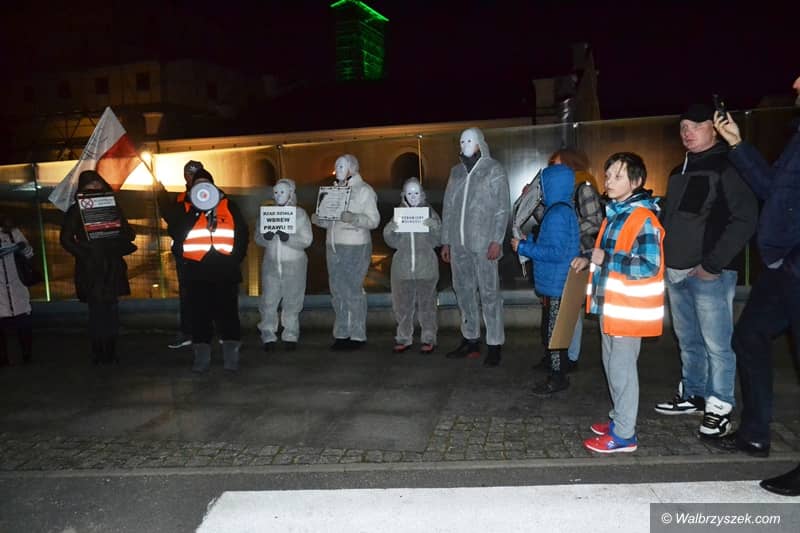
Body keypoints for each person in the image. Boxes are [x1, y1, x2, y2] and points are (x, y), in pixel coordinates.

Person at [707, 75, 800, 496]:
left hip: (793, 265)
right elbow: (772, 190)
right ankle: (755, 434)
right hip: (783, 269)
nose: (795, 83)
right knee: (748, 336)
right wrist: (737, 143)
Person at [655, 103, 758, 440]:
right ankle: (694, 394)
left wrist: (713, 264)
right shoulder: (678, 170)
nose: (687, 132)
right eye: (683, 126)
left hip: (709, 273)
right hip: (676, 271)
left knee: (717, 344)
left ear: (713, 129)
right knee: (688, 340)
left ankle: (720, 406)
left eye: (695, 125)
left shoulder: (728, 165)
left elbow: (745, 218)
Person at [572, 153, 665, 453]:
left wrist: (604, 259)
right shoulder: (617, 214)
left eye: (618, 176)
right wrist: (589, 259)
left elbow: (649, 265)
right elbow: (608, 254)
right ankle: (619, 419)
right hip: (611, 307)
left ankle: (625, 434)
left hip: (628, 310)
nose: (609, 181)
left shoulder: (643, 218)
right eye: (608, 175)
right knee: (612, 367)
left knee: (622, 371)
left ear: (636, 182)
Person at [440, 127, 510, 367]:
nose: (464, 145)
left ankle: (495, 343)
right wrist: (446, 241)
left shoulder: (493, 169)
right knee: (463, 291)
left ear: (480, 143)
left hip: (484, 244)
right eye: (461, 141)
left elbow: (502, 208)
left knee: (489, 293)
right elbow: (448, 208)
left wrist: (497, 240)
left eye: (469, 140)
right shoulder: (456, 172)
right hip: (458, 244)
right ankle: (470, 339)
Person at [530, 148, 604, 373]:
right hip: (567, 255)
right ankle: (558, 356)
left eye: (557, 163)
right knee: (559, 309)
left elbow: (595, 220)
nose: (553, 166)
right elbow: (546, 219)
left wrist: (566, 232)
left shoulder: (583, 187)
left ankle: (570, 357)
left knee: (569, 308)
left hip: (580, 254)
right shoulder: (560, 191)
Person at [511, 164, 579, 395]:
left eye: (542, 184)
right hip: (557, 281)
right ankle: (555, 368)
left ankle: (557, 377)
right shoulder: (561, 209)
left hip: (557, 282)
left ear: (553, 184)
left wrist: (523, 247)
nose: (540, 189)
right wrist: (529, 240)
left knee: (554, 334)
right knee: (553, 331)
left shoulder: (558, 213)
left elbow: (555, 252)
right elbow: (550, 242)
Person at [174, 168, 249, 372]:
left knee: (228, 315)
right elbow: (176, 234)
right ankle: (201, 357)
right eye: (197, 184)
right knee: (199, 316)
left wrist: (235, 258)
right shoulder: (185, 208)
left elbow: (242, 234)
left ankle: (231, 356)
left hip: (225, 270)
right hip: (196, 271)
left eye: (205, 183)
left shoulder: (229, 205)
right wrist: (195, 212)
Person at [60, 170, 137, 365]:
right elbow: (66, 239)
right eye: (90, 185)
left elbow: (128, 232)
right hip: (92, 269)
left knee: (111, 310)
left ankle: (110, 351)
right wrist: (86, 254)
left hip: (111, 266)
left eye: (97, 184)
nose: (95, 188)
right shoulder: (76, 210)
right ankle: (99, 352)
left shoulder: (112, 206)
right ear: (82, 188)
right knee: (97, 311)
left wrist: (120, 235)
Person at [311, 154, 380, 350]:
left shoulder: (364, 191)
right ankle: (342, 333)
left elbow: (373, 220)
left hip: (355, 246)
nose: (337, 170)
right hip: (333, 246)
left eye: (341, 166)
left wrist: (354, 218)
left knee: (353, 290)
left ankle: (357, 335)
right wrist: (320, 220)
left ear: (352, 168)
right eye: (336, 166)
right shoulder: (333, 191)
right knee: (337, 291)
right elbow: (332, 221)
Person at [383, 177, 441, 354]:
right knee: (402, 306)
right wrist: (389, 230)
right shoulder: (399, 214)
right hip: (403, 269)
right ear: (404, 195)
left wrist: (435, 227)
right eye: (409, 193)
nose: (413, 196)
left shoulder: (429, 212)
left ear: (422, 193)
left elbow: (438, 240)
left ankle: (429, 338)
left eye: (416, 193)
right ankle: (403, 338)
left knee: (428, 306)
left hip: (426, 268)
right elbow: (392, 242)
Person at [255, 178, 313, 351]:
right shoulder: (267, 214)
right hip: (271, 264)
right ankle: (268, 334)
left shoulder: (299, 214)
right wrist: (265, 237)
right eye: (276, 192)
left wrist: (289, 238)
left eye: (282, 192)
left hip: (294, 264)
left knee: (293, 301)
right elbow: (258, 237)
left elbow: (306, 240)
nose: (278, 195)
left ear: (291, 193)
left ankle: (290, 334)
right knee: (269, 301)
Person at [157, 160, 204, 350]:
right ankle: (189, 332)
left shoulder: (211, 195)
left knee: (211, 293)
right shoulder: (181, 198)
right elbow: (171, 216)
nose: (191, 177)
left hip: (208, 254)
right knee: (187, 295)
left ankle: (210, 332)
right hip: (185, 255)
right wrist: (161, 195)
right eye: (189, 174)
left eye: (195, 173)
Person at [0, 216, 34, 365]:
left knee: (23, 323)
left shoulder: (13, 232)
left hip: (17, 285)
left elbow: (29, 253)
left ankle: (26, 354)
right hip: (1, 290)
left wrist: (22, 247)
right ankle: (3, 357)